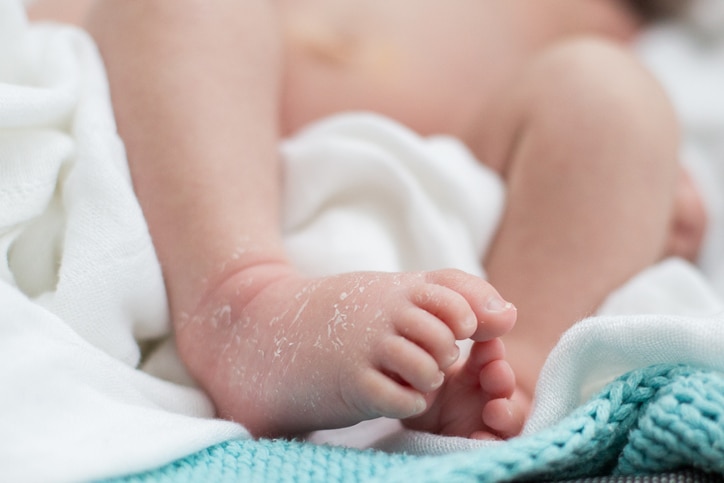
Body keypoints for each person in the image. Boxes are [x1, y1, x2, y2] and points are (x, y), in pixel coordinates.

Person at [27, 0, 706, 440]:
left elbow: (626, 161)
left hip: (450, 204)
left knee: (615, 97)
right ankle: (240, 303)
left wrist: (642, 196)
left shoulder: (623, 25)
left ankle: (510, 385)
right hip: (181, 144)